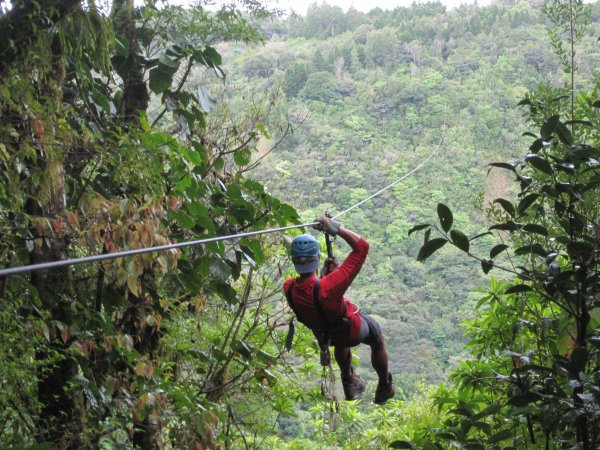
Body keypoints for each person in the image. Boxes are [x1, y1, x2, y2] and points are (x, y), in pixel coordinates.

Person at [284, 216, 395, 404]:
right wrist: (335, 228)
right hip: (350, 329)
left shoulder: (289, 288)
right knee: (377, 337)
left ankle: (348, 380)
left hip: (326, 335)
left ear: (294, 260)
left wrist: (326, 275)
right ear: (318, 258)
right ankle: (384, 385)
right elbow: (362, 247)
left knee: (340, 339)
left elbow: (314, 295)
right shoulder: (329, 287)